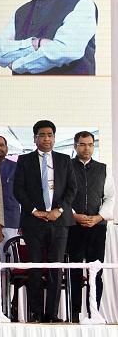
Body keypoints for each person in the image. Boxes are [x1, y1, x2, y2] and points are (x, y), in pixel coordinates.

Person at [14, 120, 77, 323]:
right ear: (35, 138)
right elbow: (18, 190)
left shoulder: (65, 160)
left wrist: (58, 210)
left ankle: (52, 314)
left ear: (54, 138)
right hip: (34, 222)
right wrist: (35, 211)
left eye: (50, 135)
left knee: (55, 267)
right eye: (42, 135)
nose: (46, 138)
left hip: (59, 222)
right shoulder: (24, 161)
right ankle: (35, 313)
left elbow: (71, 189)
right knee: (35, 267)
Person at [67, 131, 114, 322]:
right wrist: (74, 215)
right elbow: (60, 196)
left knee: (97, 270)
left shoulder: (103, 169)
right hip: (72, 226)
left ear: (93, 146)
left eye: (90, 144)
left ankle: (94, 312)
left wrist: (99, 217)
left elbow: (110, 196)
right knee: (75, 270)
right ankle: (75, 314)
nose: (86, 148)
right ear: (75, 146)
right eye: (82, 144)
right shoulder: (67, 167)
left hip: (97, 226)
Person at [0, 135, 21, 317]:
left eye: (1, 145)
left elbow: (23, 196)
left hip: (10, 221)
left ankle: (8, 308)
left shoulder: (16, 168)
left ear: (7, 148)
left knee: (9, 267)